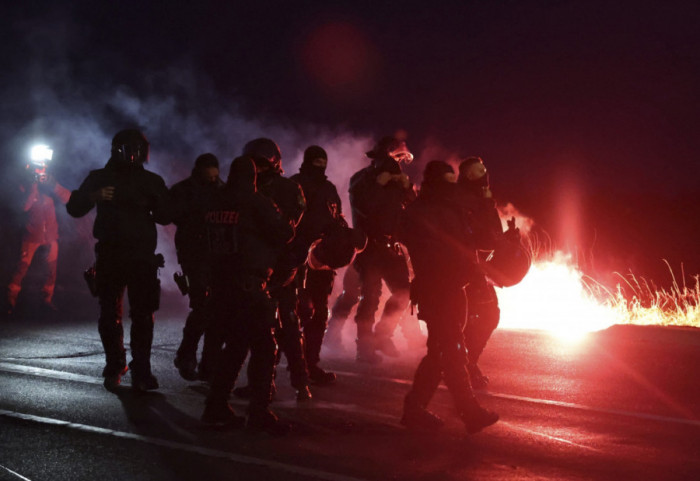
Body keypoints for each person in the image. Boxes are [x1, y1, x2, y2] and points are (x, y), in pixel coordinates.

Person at [66, 129, 171, 391]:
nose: (135, 154)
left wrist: (156, 202)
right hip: (112, 254)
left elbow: (166, 215)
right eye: (131, 148)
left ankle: (141, 370)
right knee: (109, 314)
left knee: (143, 315)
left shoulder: (151, 181)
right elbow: (74, 208)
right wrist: (94, 196)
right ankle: (116, 364)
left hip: (141, 257)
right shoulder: (100, 178)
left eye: (138, 149)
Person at [398, 160, 498, 433]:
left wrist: (487, 204)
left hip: (455, 288)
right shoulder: (419, 212)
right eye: (446, 182)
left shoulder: (454, 209)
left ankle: (414, 409)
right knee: (452, 349)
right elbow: (430, 249)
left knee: (440, 353)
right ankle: (469, 411)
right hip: (436, 289)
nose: (450, 188)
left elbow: (486, 240)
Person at [202, 156, 294, 435]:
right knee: (265, 349)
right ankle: (258, 413)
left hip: (220, 286)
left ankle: (215, 407)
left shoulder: (216, 202)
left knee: (236, 347)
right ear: (253, 177)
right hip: (249, 286)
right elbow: (284, 232)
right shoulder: (255, 202)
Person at [233, 138, 312, 401]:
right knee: (259, 329)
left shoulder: (289, 188)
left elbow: (291, 228)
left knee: (288, 326)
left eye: (261, 162)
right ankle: (264, 385)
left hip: (283, 264)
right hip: (256, 265)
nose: (257, 167)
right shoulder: (247, 189)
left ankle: (301, 383)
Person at [348, 136, 416, 363]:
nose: (396, 165)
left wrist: (408, 189)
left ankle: (382, 336)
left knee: (404, 292)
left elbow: (412, 209)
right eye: (392, 158)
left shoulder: (396, 183)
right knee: (370, 298)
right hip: (369, 247)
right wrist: (379, 184)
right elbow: (364, 206)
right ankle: (364, 348)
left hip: (391, 248)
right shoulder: (362, 180)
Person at [291, 145, 346, 385]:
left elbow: (336, 218)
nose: (320, 164)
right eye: (316, 160)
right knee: (291, 315)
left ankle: (310, 365)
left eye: (323, 159)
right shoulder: (294, 185)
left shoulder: (329, 188)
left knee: (320, 314)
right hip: (296, 258)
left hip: (321, 260)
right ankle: (268, 374)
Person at [170, 153, 224, 381]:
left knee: (216, 311)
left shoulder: (222, 189)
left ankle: (207, 364)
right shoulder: (183, 190)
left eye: (215, 176)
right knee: (202, 308)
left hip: (218, 257)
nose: (213, 179)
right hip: (194, 256)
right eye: (209, 175)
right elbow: (171, 215)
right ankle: (187, 356)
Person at [457, 156, 505, 389]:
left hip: (477, 268)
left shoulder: (482, 198)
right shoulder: (462, 200)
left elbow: (494, 233)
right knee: (477, 317)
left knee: (484, 316)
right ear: (467, 176)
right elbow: (481, 236)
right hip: (463, 268)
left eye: (484, 169)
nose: (483, 173)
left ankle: (463, 364)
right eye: (477, 171)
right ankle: (462, 366)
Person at [5, 148, 71, 317]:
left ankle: (46, 301)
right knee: (21, 269)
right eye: (37, 168)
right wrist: (33, 186)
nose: (40, 171)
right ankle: (9, 302)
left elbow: (69, 199)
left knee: (51, 271)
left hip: (50, 236)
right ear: (29, 168)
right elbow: (24, 207)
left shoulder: (50, 185)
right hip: (31, 235)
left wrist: (53, 185)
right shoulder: (23, 185)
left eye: (43, 168)